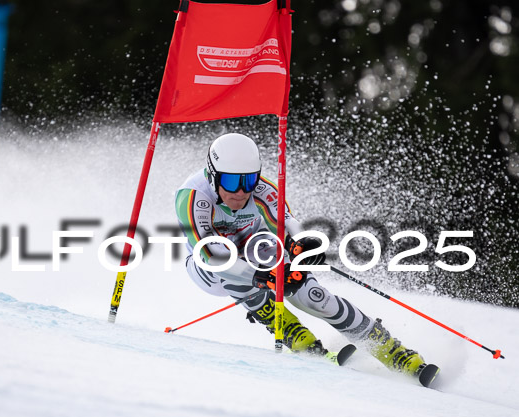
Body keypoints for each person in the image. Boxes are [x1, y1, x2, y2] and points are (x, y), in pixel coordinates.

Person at [175, 133, 430, 378]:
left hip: (254, 247)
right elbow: (209, 253)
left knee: (309, 294)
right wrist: (259, 277)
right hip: (208, 268)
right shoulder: (193, 196)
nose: (241, 192)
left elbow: (288, 223)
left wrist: (302, 246)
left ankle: (391, 350)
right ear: (212, 176)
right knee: (231, 266)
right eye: (231, 182)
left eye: (249, 181)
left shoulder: (261, 189)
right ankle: (291, 332)